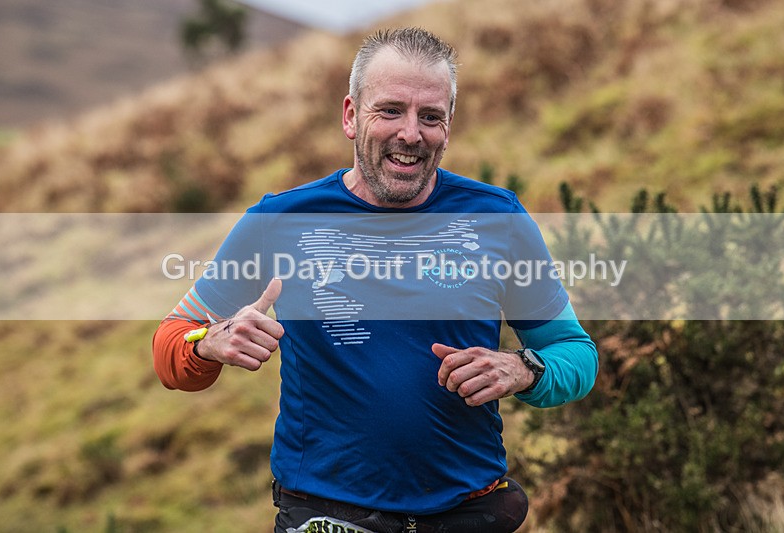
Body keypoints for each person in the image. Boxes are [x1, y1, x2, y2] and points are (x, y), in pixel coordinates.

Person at [153, 27, 598, 533]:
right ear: (350, 116)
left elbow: (576, 352)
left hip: (467, 514)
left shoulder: (496, 218)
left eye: (431, 116)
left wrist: (524, 369)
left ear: (448, 127)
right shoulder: (280, 220)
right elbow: (169, 346)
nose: (411, 133)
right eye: (390, 110)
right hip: (324, 514)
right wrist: (210, 345)